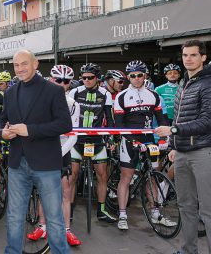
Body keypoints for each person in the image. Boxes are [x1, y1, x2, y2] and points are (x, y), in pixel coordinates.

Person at [0, 50, 72, 254]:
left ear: (35, 64)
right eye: (16, 65)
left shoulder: (53, 90)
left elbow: (65, 124)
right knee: (14, 215)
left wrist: (30, 130)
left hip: (46, 164)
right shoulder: (10, 92)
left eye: (24, 64)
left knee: (54, 217)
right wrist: (4, 133)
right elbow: (2, 120)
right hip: (17, 164)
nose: (20, 68)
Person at [155, 40, 211, 254]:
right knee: (186, 207)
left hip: (203, 152)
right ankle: (188, 250)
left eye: (193, 55)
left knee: (207, 211)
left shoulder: (207, 83)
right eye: (185, 55)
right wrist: (173, 145)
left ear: (203, 57)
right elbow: (178, 116)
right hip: (182, 153)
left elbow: (207, 120)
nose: (188, 59)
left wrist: (174, 131)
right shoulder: (184, 84)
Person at [27, 64, 82, 246]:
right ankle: (42, 227)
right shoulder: (39, 100)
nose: (61, 84)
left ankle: (66, 229)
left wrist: (58, 154)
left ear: (69, 84)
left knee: (65, 192)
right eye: (58, 80)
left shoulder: (74, 104)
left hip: (63, 150)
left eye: (66, 81)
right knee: (44, 192)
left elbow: (73, 136)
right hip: (44, 149)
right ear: (51, 80)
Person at [115, 60, 170, 231]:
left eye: (140, 75)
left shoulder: (153, 95)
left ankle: (155, 213)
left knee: (153, 175)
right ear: (128, 77)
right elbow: (119, 126)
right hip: (130, 140)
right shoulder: (121, 96)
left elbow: (162, 120)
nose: (137, 78)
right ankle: (122, 214)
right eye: (133, 75)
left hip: (148, 139)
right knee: (126, 176)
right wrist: (132, 141)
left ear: (145, 75)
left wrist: (162, 139)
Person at [68, 63, 117, 224]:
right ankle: (68, 210)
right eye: (83, 78)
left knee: (102, 176)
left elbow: (109, 119)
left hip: (97, 140)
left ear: (97, 79)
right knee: (72, 176)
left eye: (90, 78)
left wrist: (111, 137)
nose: (86, 81)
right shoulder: (75, 92)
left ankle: (101, 210)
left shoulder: (105, 94)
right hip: (77, 140)